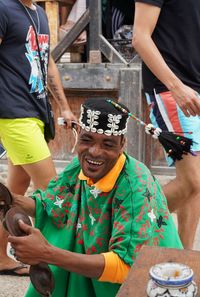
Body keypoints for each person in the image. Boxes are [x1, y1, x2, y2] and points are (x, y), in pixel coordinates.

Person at [5, 98, 182, 297]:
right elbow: (49, 205)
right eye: (87, 140)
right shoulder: (78, 167)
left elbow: (127, 266)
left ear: (122, 144)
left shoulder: (136, 186)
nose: (94, 152)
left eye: (108, 144)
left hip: (140, 285)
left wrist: (46, 253)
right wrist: (10, 198)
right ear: (78, 135)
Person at [0, 0, 77, 276]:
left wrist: (65, 106)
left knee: (13, 195)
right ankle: (55, 264)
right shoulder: (4, 8)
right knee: (53, 193)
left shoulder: (40, 14)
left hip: (35, 112)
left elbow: (48, 62)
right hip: (14, 114)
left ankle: (1, 257)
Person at [132, 0, 200, 249]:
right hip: (171, 89)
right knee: (193, 181)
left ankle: (183, 261)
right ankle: (126, 228)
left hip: (194, 87)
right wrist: (176, 86)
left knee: (196, 185)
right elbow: (140, 37)